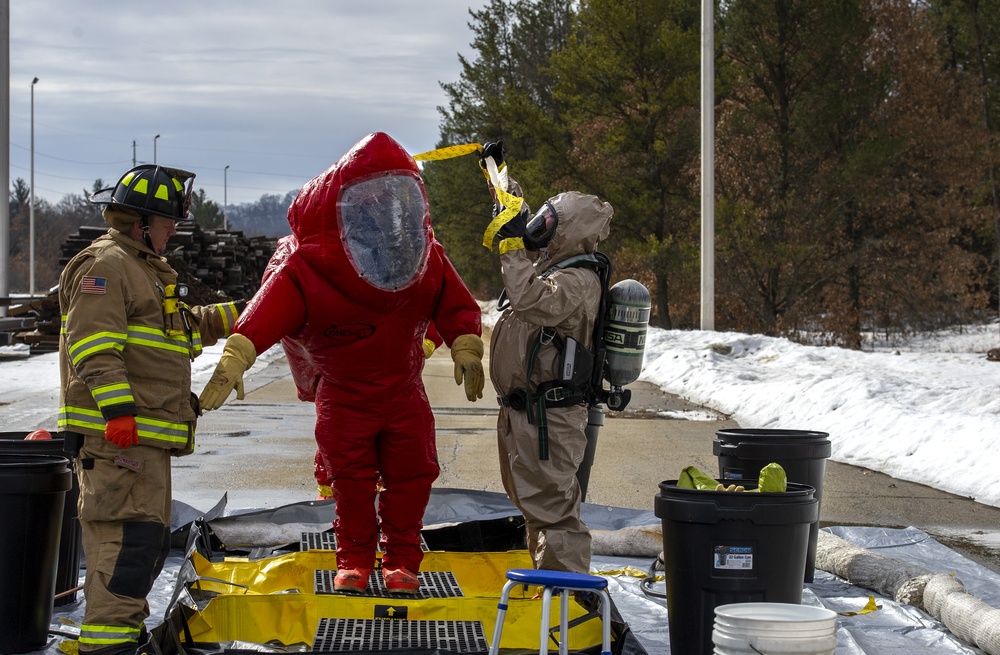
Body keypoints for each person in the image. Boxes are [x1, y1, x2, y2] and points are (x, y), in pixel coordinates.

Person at [198, 132, 485, 595]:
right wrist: (236, 356)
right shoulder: (309, 265)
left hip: (403, 391)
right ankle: (354, 560)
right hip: (344, 396)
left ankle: (401, 564)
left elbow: (453, 302)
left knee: (412, 475)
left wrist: (466, 343)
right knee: (350, 484)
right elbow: (266, 312)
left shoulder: (423, 256)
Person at [58, 164, 243, 655]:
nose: (175, 230)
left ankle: (121, 638)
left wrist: (246, 313)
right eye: (168, 222)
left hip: (142, 440)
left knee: (141, 544)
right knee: (124, 545)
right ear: (139, 221)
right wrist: (117, 412)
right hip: (118, 437)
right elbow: (93, 346)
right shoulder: (107, 266)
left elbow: (175, 331)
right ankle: (108, 647)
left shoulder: (139, 269)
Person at [480, 142, 613, 573]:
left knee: (553, 510)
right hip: (524, 413)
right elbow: (516, 217)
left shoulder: (578, 281)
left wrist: (513, 249)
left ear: (570, 232)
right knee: (532, 502)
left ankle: (568, 606)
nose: (540, 226)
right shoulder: (557, 267)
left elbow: (530, 301)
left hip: (548, 420)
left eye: (550, 222)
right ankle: (548, 587)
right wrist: (498, 176)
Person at [313, 323, 442, 500]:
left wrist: (427, 342)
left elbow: (441, 304)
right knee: (339, 438)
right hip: (344, 375)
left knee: (401, 441)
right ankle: (336, 497)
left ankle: (389, 500)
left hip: (396, 374)